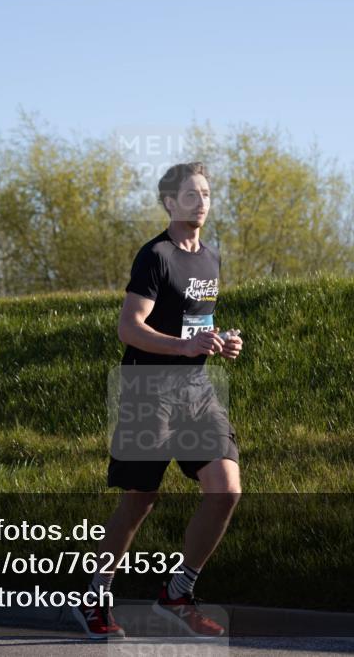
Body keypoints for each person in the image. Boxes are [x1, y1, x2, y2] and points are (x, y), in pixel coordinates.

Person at [72, 162, 243, 639]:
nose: (202, 202)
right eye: (191, 194)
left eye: (207, 193)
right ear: (170, 203)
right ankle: (95, 597)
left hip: (196, 390)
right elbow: (130, 328)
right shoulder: (155, 256)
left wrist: (216, 341)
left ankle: (178, 592)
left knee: (226, 488)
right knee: (139, 500)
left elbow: (192, 325)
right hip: (149, 391)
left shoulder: (211, 258)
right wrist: (185, 346)